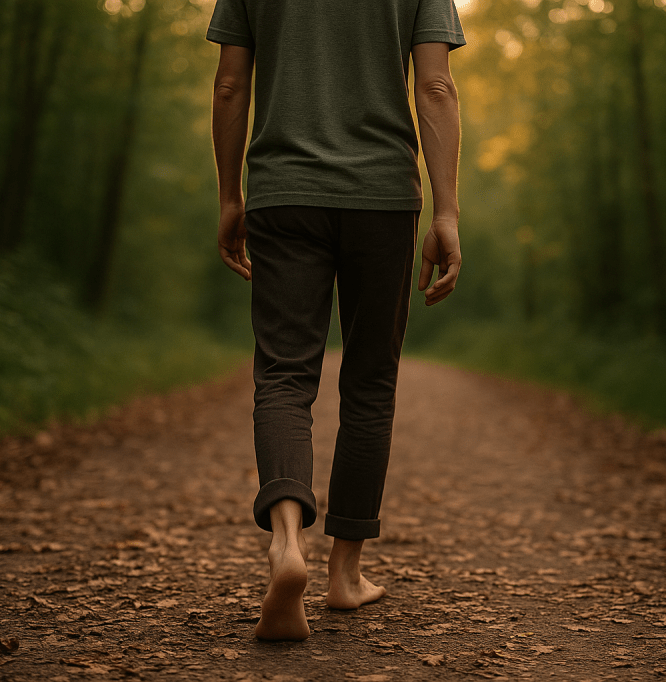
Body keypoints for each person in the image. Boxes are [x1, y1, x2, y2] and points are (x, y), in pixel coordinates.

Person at [207, 0, 465, 642]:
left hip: (283, 191)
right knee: (370, 381)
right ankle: (344, 576)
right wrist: (447, 214)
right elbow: (434, 86)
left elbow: (230, 84)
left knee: (285, 374)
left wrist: (231, 197)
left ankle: (286, 543)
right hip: (381, 196)